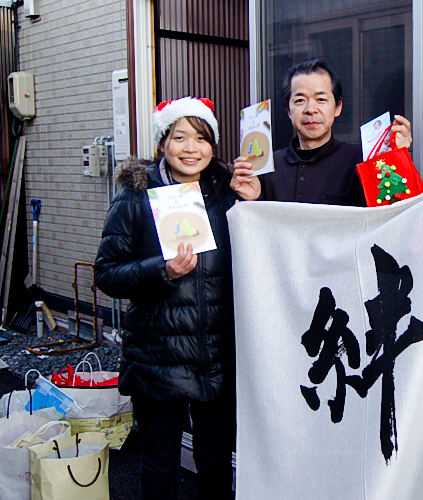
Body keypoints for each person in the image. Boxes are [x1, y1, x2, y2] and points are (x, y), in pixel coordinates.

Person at [94, 97, 236, 500]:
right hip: (157, 357)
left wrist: (254, 198)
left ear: (213, 146)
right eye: (179, 137)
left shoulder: (226, 193)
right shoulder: (136, 196)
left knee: (216, 462)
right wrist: (162, 270)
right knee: (160, 463)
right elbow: (106, 272)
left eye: (202, 138)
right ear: (162, 144)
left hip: (216, 356)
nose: (191, 148)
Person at [230, 57, 412, 206]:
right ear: (288, 110)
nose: (311, 109)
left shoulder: (362, 158)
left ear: (338, 107)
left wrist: (398, 159)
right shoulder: (270, 167)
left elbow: (392, 214)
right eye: (300, 100)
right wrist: (254, 199)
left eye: (321, 99)